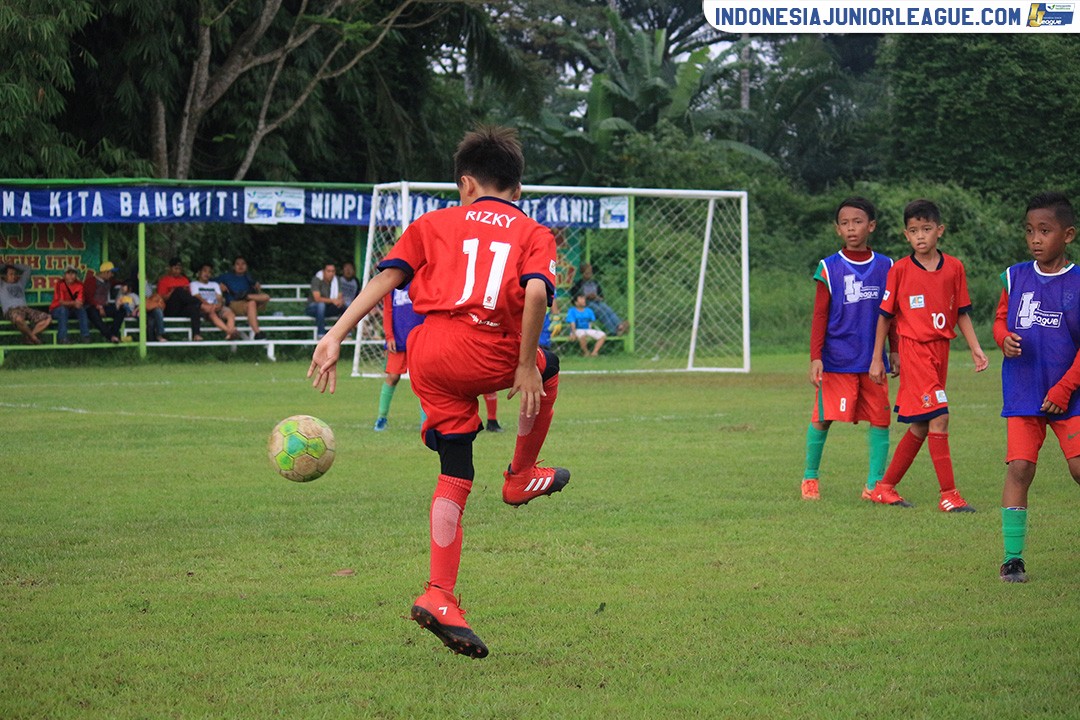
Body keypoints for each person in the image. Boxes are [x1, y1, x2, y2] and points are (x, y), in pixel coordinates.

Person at [309, 126, 568, 659]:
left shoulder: (430, 223)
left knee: (455, 467)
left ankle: (440, 595)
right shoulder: (533, 232)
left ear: (466, 183)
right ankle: (521, 476)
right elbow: (538, 290)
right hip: (486, 346)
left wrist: (334, 335)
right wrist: (524, 364)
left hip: (428, 353)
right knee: (550, 367)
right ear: (516, 190)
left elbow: (384, 280)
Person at [869, 199, 989, 510]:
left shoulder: (954, 267)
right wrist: (877, 358)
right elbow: (884, 315)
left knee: (921, 425)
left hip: (941, 351)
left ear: (940, 231)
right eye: (913, 231)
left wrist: (976, 348)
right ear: (905, 235)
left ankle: (884, 488)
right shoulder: (900, 270)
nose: (920, 236)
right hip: (914, 351)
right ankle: (949, 495)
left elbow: (961, 311)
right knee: (940, 415)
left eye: (926, 229)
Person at [994, 192, 1080, 583]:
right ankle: (1013, 558)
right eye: (1029, 231)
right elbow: (999, 320)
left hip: (1069, 394)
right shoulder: (1015, 276)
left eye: (1045, 231)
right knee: (1020, 468)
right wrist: (1002, 338)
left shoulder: (1077, 283)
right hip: (1024, 389)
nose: (1035, 239)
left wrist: (1065, 389)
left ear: (1068, 235)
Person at [802, 197, 896, 502]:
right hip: (837, 358)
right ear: (837, 229)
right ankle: (810, 478)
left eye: (857, 222)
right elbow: (819, 315)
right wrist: (816, 356)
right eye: (845, 223)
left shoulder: (887, 266)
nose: (851, 228)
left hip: (873, 361)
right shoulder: (829, 267)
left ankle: (874, 485)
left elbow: (892, 313)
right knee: (823, 417)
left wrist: (894, 351)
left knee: (881, 419)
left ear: (871, 226)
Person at [373, 283, 426, 432]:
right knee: (393, 377)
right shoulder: (393, 284)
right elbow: (388, 311)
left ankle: (425, 422)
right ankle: (381, 418)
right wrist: (389, 336)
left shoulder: (422, 281)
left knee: (422, 380)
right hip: (398, 339)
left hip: (420, 338)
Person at [215, 256, 270, 340]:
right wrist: (219, 285)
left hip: (247, 301)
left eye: (243, 264)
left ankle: (245, 296)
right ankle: (257, 333)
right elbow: (209, 281)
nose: (240, 266)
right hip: (234, 303)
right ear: (233, 266)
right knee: (251, 303)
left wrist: (256, 285)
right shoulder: (226, 277)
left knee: (266, 297)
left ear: (246, 266)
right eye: (237, 264)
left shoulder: (248, 277)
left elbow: (256, 286)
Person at [570, 262, 628, 335]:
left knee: (607, 309)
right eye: (587, 273)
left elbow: (602, 297)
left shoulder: (595, 283)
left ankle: (620, 325)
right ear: (582, 274)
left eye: (590, 273)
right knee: (601, 311)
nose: (589, 275)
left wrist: (596, 297)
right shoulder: (579, 284)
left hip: (596, 301)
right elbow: (574, 298)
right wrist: (586, 297)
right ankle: (614, 331)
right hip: (586, 303)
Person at [0, 263, 51, 344]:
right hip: (11, 310)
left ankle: (29, 337)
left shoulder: (20, 283)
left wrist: (13, 265)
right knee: (18, 319)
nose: (13, 276)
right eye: (11, 274)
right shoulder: (1, 285)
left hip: (25, 309)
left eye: (15, 274)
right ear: (5, 276)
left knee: (47, 318)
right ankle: (34, 338)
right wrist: (5, 265)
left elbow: (28, 269)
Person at [157, 258, 204, 341]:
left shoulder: (184, 280)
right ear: (170, 268)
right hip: (169, 308)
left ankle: (196, 334)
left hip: (182, 308)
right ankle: (200, 303)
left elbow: (188, 297)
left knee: (193, 307)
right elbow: (162, 298)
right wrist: (173, 292)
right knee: (178, 290)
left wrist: (185, 291)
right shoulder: (164, 281)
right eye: (175, 268)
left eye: (179, 269)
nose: (177, 271)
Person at [190, 263, 239, 339]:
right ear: (199, 272)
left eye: (209, 272)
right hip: (205, 308)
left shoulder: (214, 284)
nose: (207, 274)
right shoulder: (194, 284)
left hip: (216, 306)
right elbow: (197, 297)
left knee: (230, 314)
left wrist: (219, 304)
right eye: (205, 271)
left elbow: (219, 297)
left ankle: (229, 336)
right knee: (211, 312)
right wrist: (209, 305)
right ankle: (230, 331)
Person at [82, 261, 124, 343]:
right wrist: (98, 306)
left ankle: (113, 333)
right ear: (106, 272)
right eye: (111, 272)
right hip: (91, 306)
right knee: (94, 314)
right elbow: (88, 297)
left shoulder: (109, 281)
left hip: (104, 306)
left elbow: (119, 282)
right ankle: (110, 336)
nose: (112, 275)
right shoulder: (90, 281)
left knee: (121, 311)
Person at [49, 266, 90, 343]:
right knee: (63, 309)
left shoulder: (80, 285)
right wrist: (74, 303)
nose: (71, 275)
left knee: (81, 309)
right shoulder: (60, 284)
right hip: (56, 310)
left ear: (76, 275)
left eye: (73, 273)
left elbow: (80, 301)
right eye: (68, 273)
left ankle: (85, 336)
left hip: (72, 310)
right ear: (64, 275)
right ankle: (62, 338)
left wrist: (77, 304)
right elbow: (61, 302)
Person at [306, 263, 345, 338]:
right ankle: (321, 334)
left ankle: (343, 333)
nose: (331, 273)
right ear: (323, 271)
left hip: (328, 308)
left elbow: (339, 297)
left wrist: (340, 301)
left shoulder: (337, 280)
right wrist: (333, 301)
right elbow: (317, 299)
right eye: (328, 271)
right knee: (321, 305)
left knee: (345, 307)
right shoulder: (316, 279)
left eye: (333, 271)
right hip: (313, 308)